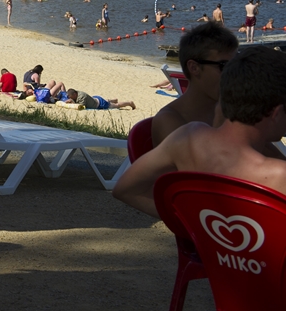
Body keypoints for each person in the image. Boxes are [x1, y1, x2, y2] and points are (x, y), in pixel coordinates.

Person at [115, 47, 286, 218]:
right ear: (276, 114)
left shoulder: (188, 138)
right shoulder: (279, 175)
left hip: (204, 243)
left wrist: (190, 223)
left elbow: (125, 189)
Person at [151, 22, 238, 147]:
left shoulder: (229, 110)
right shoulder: (169, 120)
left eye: (236, 64)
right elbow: (204, 165)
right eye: (224, 66)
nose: (233, 73)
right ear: (194, 67)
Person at [66, 88, 135, 110]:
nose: (70, 98)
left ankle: (129, 103)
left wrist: (72, 103)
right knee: (109, 102)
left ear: (74, 94)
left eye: (71, 96)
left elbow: (81, 106)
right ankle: (112, 100)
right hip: (94, 99)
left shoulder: (81, 97)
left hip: (99, 104)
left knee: (116, 106)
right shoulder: (77, 92)